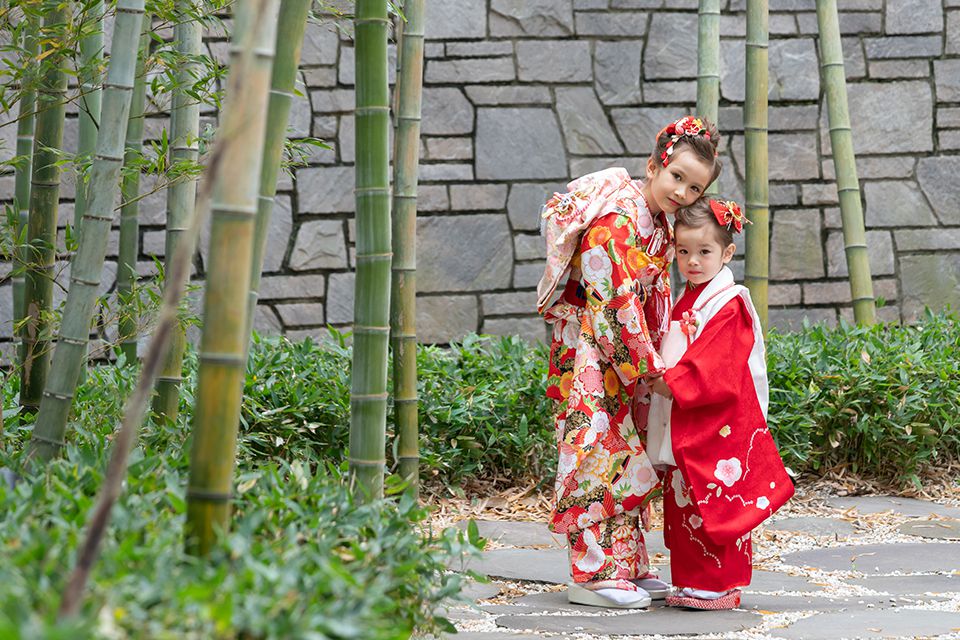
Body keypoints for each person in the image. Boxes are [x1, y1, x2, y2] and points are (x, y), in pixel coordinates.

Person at [537, 116, 722, 609]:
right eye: (676, 176)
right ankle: (591, 571)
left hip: (619, 358)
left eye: (694, 186)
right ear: (653, 165)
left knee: (629, 454)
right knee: (595, 452)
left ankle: (626, 564)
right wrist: (651, 370)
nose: (682, 192)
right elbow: (613, 303)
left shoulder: (657, 221)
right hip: (590, 355)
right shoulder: (618, 221)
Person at [648, 197, 795, 610]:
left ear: (727, 253)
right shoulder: (695, 296)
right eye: (683, 251)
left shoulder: (729, 304)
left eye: (704, 251)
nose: (692, 261)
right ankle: (692, 581)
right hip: (693, 418)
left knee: (716, 497)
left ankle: (716, 584)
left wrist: (672, 382)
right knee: (685, 499)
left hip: (715, 421)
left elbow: (717, 364)